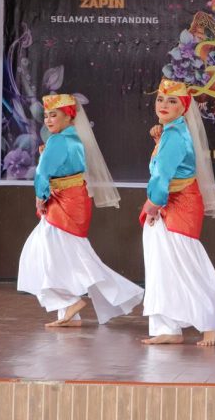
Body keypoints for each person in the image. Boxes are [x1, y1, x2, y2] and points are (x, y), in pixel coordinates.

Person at [18, 94, 144, 327]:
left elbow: (43, 173)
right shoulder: (73, 138)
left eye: (53, 115)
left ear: (69, 116)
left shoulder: (57, 141)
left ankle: (70, 302)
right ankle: (69, 312)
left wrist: (40, 196)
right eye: (46, 116)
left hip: (62, 203)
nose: (48, 120)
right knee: (66, 254)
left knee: (43, 254)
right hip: (75, 199)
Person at [139, 79, 215, 346]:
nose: (164, 104)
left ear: (184, 107)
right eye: (160, 99)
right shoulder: (171, 132)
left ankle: (209, 320)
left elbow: (162, 175)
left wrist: (153, 204)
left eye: (172, 101)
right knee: (163, 267)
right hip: (170, 203)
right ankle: (167, 327)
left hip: (176, 206)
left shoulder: (175, 135)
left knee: (185, 265)